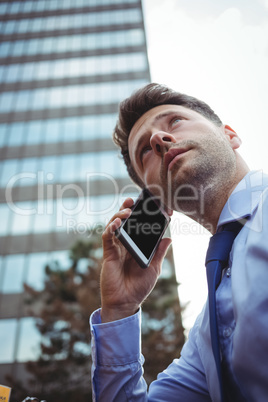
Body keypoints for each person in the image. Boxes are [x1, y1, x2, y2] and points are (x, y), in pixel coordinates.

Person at [90, 83, 268, 401]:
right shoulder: (207, 337)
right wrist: (119, 309)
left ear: (230, 134)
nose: (159, 139)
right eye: (144, 150)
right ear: (154, 196)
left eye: (174, 121)